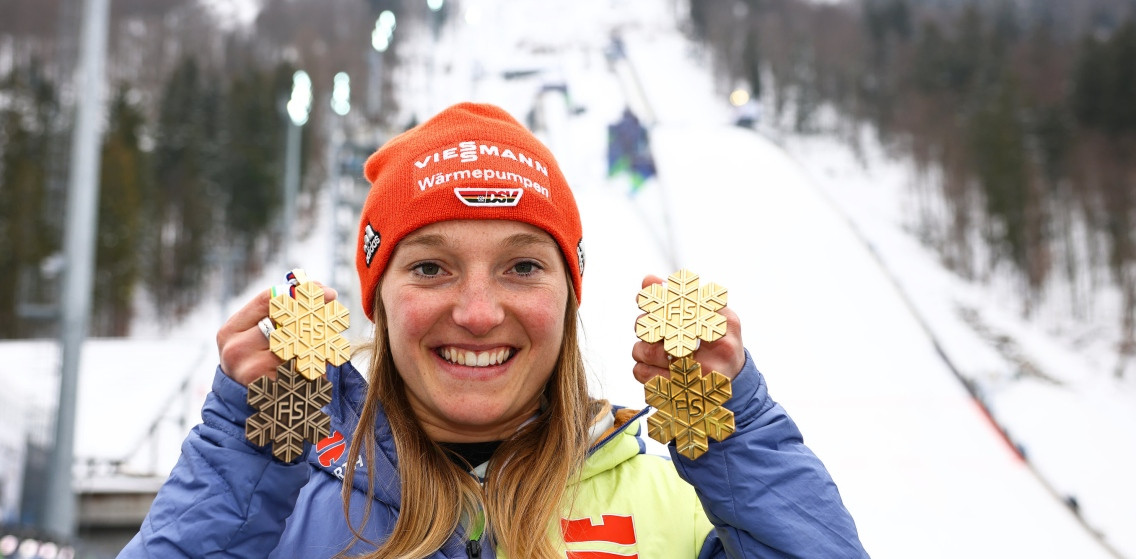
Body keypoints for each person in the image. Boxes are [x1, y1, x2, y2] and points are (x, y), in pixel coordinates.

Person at [119, 102, 867, 558]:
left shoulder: (674, 511)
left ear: (570, 299)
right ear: (377, 301)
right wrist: (245, 457)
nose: (478, 312)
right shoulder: (285, 510)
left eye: (521, 267)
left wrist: (740, 436)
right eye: (431, 269)